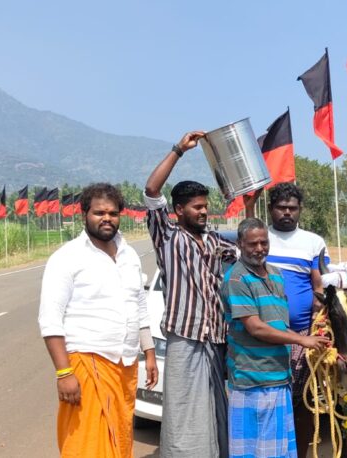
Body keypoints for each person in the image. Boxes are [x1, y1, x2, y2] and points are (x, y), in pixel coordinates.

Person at [143, 131, 256, 457]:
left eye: (205, 206)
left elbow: (248, 248)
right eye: (197, 207)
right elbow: (151, 191)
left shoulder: (215, 240)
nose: (204, 211)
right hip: (184, 337)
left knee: (215, 408)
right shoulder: (167, 236)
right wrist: (179, 149)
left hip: (216, 338)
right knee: (182, 412)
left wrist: (249, 206)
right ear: (179, 209)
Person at [38, 183, 158, 458]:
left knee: (120, 436)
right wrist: (64, 373)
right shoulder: (67, 257)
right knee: (86, 444)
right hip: (87, 361)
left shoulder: (129, 255)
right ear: (84, 214)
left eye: (113, 213)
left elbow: (139, 305)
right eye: (99, 213)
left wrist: (149, 351)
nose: (107, 218)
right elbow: (50, 319)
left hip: (125, 365)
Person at [222, 218, 331, 458]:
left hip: (279, 378)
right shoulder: (237, 278)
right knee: (252, 452)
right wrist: (302, 340)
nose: (259, 248)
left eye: (264, 242)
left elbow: (279, 326)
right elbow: (256, 328)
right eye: (253, 244)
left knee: (278, 452)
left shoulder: (276, 274)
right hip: (252, 382)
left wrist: (313, 339)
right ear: (240, 244)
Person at [263, 182, 329, 456]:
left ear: (300, 209)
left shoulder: (313, 242)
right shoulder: (261, 238)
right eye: (281, 207)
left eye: (292, 208)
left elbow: (320, 288)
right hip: (264, 337)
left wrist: (316, 328)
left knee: (302, 402)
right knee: (269, 400)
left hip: (303, 336)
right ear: (271, 209)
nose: (287, 212)